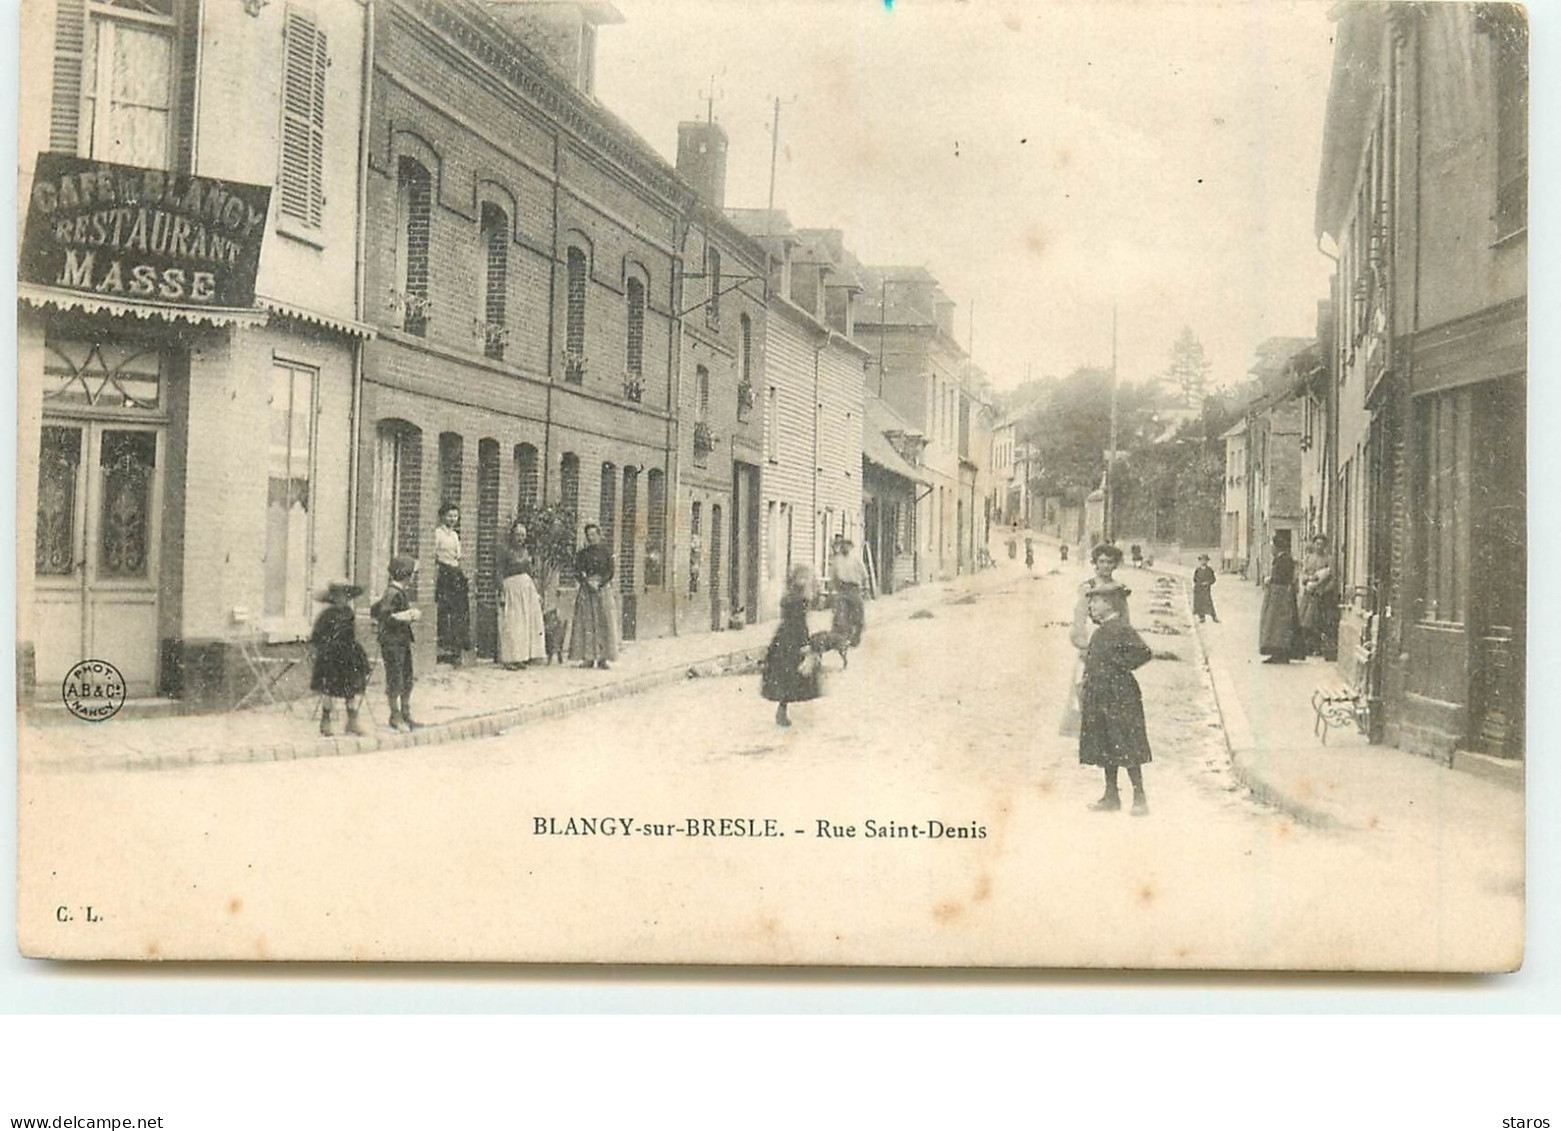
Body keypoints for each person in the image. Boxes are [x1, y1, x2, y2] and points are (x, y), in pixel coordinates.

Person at [1079, 580, 1154, 815]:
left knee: (1127, 743)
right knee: (1105, 743)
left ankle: (1139, 796)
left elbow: (1143, 652)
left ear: (1109, 604)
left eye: (1095, 601)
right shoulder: (1101, 631)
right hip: (1100, 695)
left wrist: (1119, 668)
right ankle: (1111, 795)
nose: (1091, 606)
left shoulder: (1121, 628)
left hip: (1120, 695)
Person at [1061, 542, 1127, 737]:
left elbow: (1125, 619)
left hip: (1113, 640)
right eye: (1102, 562)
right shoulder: (1088, 588)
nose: (1105, 566)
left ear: (1115, 565)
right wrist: (1082, 642)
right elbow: (1079, 617)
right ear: (1095, 564)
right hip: (1092, 639)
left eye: (1110, 562)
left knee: (1113, 685)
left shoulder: (1119, 589)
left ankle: (1108, 728)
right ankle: (1085, 727)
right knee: (1086, 684)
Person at [762, 564, 823, 726]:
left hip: (782, 639)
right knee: (793, 675)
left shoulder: (788, 597)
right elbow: (800, 624)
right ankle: (785, 712)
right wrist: (805, 645)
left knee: (784, 676)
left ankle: (782, 710)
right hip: (793, 640)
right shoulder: (800, 601)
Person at [310, 581, 371, 737]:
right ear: (332, 598)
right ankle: (325, 721)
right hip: (330, 656)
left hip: (348, 655)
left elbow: (351, 634)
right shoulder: (326, 615)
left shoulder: (349, 613)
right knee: (328, 689)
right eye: (338, 596)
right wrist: (325, 648)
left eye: (345, 596)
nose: (342, 599)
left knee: (350, 689)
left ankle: (352, 722)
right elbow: (316, 637)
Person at [370, 556, 422, 731]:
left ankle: (405, 714)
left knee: (407, 677)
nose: (413, 577)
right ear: (406, 575)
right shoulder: (392, 592)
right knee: (395, 678)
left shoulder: (397, 591)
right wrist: (409, 615)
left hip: (401, 641)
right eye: (412, 574)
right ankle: (396, 716)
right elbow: (385, 615)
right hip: (392, 643)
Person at [567, 523, 619, 669]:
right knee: (587, 623)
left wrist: (600, 583)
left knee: (603, 623)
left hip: (602, 590)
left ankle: (603, 658)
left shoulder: (606, 552)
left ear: (599, 535)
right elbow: (577, 571)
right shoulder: (583, 553)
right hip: (587, 590)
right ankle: (588, 657)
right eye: (588, 535)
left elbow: (610, 571)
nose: (591, 538)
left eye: (593, 535)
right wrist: (586, 582)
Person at [496, 519, 546, 669]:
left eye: (523, 535)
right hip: (511, 588)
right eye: (517, 534)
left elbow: (530, 572)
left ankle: (520, 657)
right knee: (513, 623)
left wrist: (536, 592)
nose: (520, 538)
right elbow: (499, 572)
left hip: (526, 589)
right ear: (512, 535)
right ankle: (509, 659)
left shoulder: (525, 551)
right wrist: (502, 591)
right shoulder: (504, 551)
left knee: (524, 624)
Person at [433, 502, 471, 666]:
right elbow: (435, 555)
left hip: (455, 573)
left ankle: (457, 648)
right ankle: (444, 647)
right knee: (445, 609)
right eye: (450, 515)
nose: (453, 519)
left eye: (455, 516)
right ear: (442, 516)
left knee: (460, 610)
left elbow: (458, 557)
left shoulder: (455, 535)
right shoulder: (437, 533)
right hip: (444, 573)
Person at [1258, 533, 1301, 663]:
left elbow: (1284, 578)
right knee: (1274, 624)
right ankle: (1277, 653)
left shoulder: (1285, 559)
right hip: (1277, 595)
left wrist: (1270, 579)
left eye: (1272, 547)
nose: (1271, 549)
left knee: (1280, 625)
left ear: (1277, 547)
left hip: (1282, 596)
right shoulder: (1280, 558)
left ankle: (1281, 653)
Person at [1297, 534, 1339, 659]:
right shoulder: (1308, 558)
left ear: (1325, 546)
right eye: (1317, 544)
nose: (1318, 546)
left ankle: (1318, 647)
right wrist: (1307, 581)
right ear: (1313, 545)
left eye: (1321, 544)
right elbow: (1303, 574)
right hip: (1309, 595)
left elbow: (1333, 579)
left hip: (1322, 596)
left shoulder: (1329, 559)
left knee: (1319, 622)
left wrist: (1324, 590)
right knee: (1305, 621)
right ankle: (1308, 647)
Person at [829, 537, 868, 648]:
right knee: (840, 614)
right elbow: (833, 576)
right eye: (843, 546)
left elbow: (864, 575)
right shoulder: (837, 560)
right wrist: (833, 590)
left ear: (851, 547)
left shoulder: (856, 559)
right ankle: (840, 639)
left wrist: (864, 589)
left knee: (858, 614)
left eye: (847, 546)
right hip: (842, 588)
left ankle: (856, 638)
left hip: (854, 588)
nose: (845, 548)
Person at [1192, 554, 1219, 623]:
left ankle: (1214, 617)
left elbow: (1213, 579)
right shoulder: (1197, 570)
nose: (1203, 562)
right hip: (1198, 589)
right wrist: (1198, 584)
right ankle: (1201, 617)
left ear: (1207, 561)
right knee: (1199, 603)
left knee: (1208, 603)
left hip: (1206, 590)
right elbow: (1194, 579)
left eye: (1205, 560)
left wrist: (1207, 582)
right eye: (1201, 560)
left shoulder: (1209, 570)